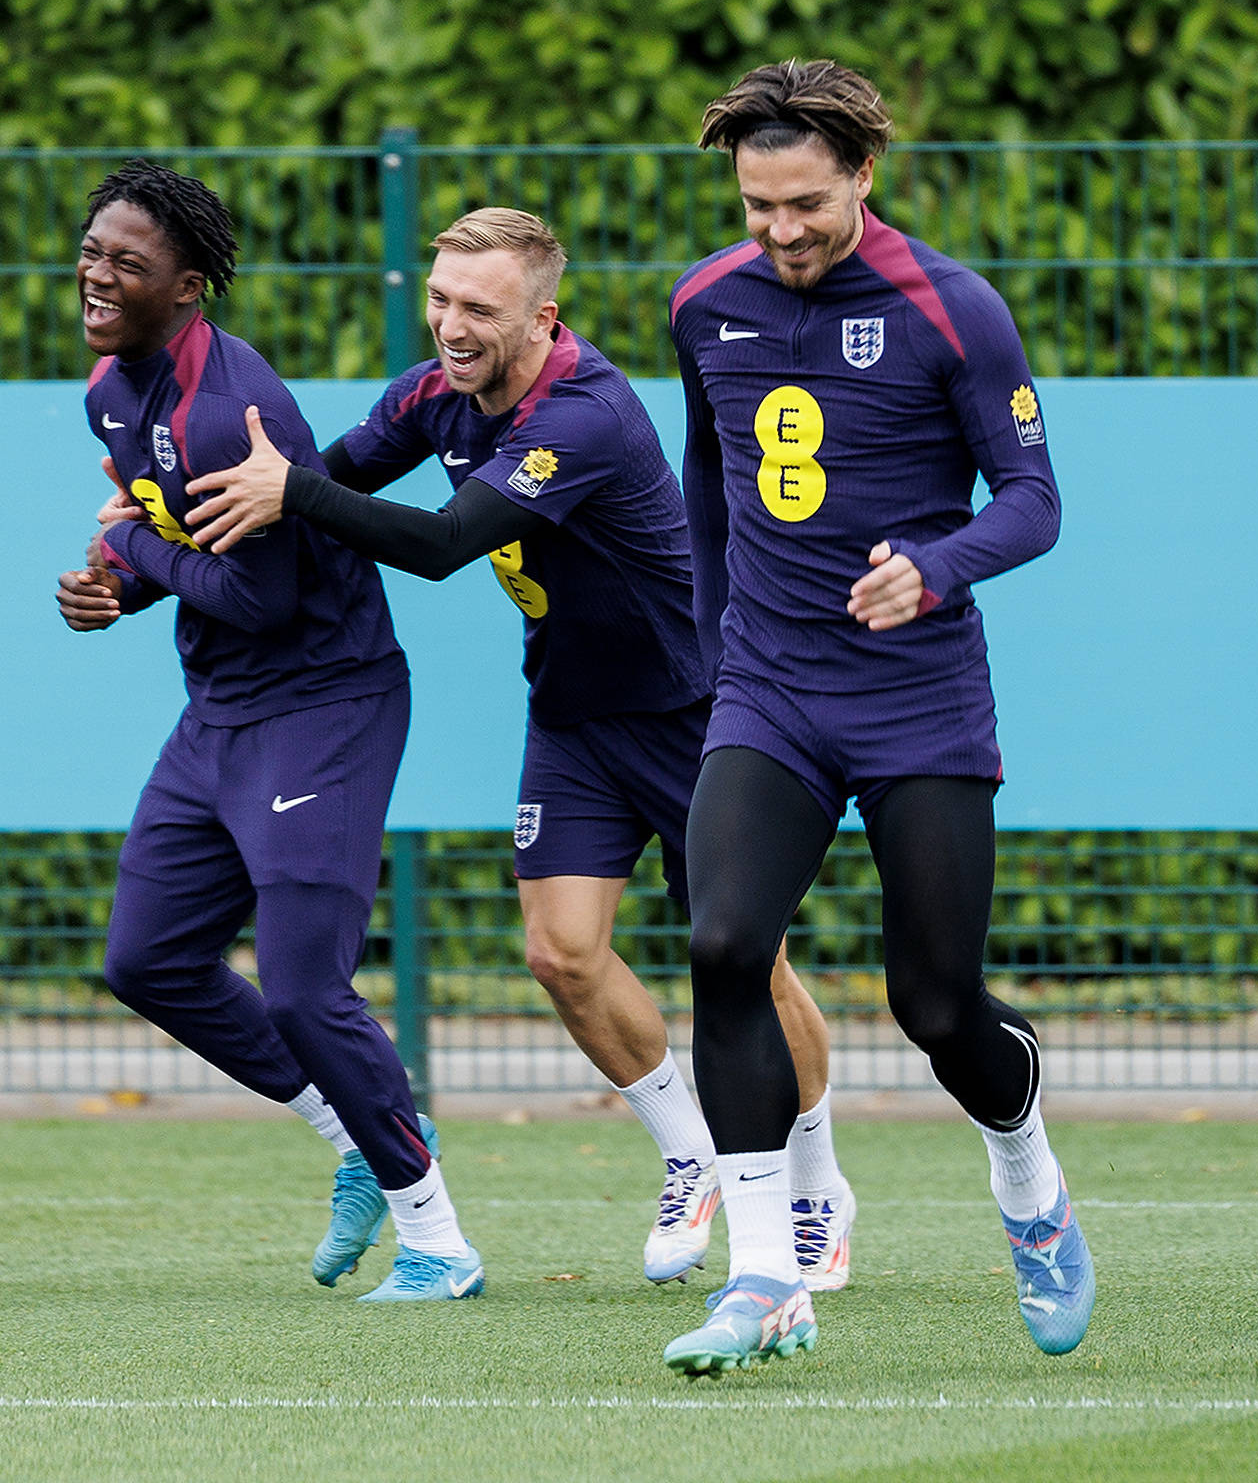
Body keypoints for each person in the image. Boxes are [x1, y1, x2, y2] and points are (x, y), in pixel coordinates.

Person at [180, 207, 856, 1291]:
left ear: (545, 317)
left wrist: (295, 493)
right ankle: (695, 1154)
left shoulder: (584, 415)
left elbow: (444, 542)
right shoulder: (434, 393)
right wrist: (157, 537)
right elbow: (337, 480)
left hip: (701, 713)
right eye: (441, 299)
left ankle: (816, 1186)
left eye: (479, 309)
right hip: (575, 717)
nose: (450, 325)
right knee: (559, 952)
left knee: (746, 962)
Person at [657, 59, 1079, 1377]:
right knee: (724, 943)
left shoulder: (952, 310)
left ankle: (1028, 1176)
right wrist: (720, 653)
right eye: (754, 204)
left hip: (918, 698)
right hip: (771, 693)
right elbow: (711, 485)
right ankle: (768, 1278)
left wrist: (935, 565)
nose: (777, 231)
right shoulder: (703, 304)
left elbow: (1034, 499)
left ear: (863, 177)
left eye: (803, 203)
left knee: (936, 1002)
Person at [58, 159, 481, 1301]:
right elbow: (181, 547)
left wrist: (130, 550)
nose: (97, 274)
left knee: (305, 989)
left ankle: (438, 1237)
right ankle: (350, 1129)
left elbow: (263, 597)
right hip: (224, 711)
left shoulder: (227, 410)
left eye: (126, 262)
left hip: (326, 707)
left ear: (188, 285)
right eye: (93, 251)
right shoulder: (111, 385)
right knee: (145, 959)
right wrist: (116, 580)